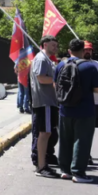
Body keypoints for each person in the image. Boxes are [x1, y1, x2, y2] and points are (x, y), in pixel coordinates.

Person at [56, 39, 98, 183]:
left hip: (65, 109)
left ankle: (65, 170)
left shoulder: (61, 65)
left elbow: (55, 85)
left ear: (69, 51)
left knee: (65, 140)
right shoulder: (89, 66)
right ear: (83, 50)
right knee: (82, 141)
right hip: (85, 110)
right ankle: (78, 172)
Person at [30, 36, 60, 178]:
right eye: (53, 45)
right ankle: (41, 166)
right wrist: (59, 79)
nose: (55, 48)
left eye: (56, 45)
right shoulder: (41, 59)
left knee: (46, 133)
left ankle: (42, 164)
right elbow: (41, 78)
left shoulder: (46, 59)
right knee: (44, 133)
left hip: (48, 102)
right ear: (45, 44)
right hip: (44, 102)